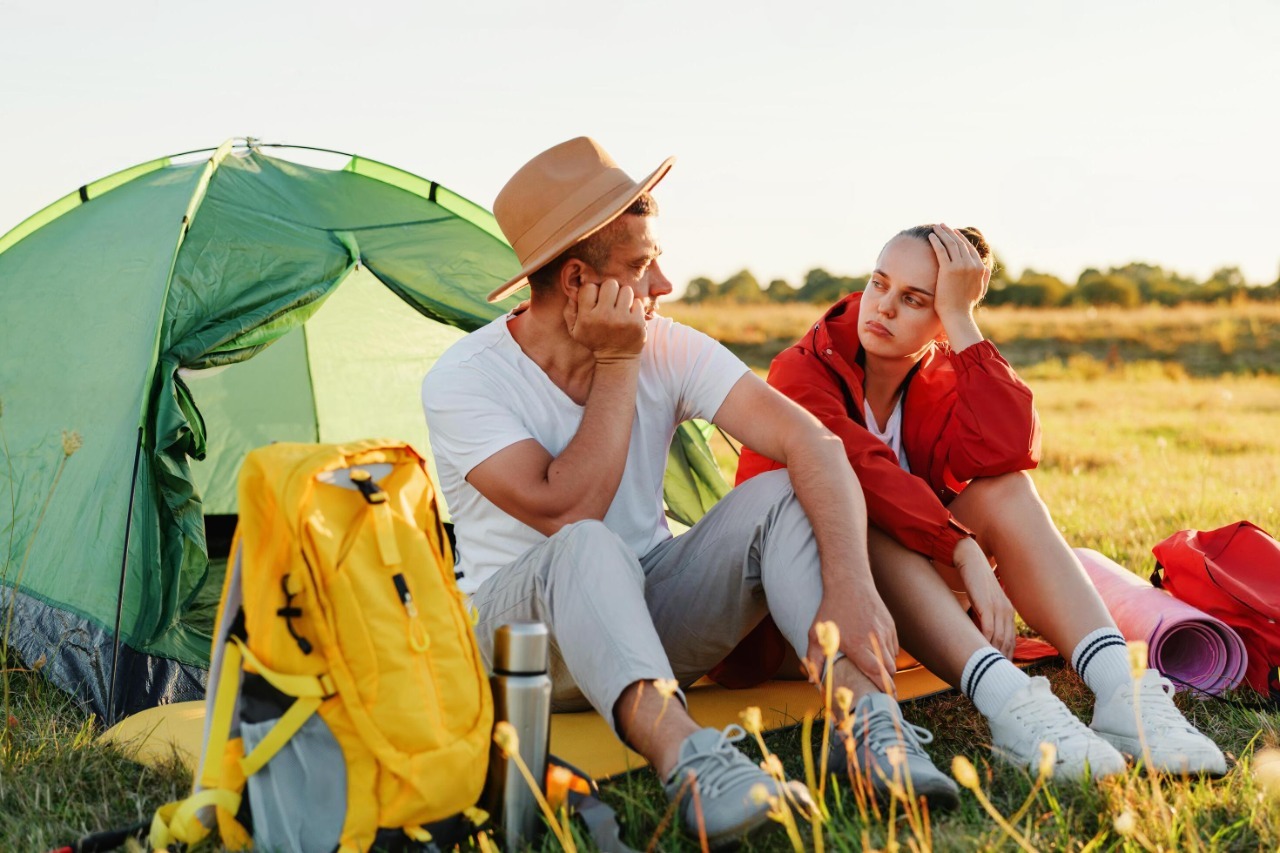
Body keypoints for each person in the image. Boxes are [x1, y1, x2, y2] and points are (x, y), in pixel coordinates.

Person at [422, 140, 960, 846]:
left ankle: (869, 729)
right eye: (642, 266)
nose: (664, 284)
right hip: (525, 643)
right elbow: (566, 508)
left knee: (781, 492)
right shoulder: (465, 379)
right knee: (586, 542)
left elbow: (815, 445)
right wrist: (618, 361)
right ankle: (695, 764)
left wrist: (850, 584)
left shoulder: (669, 344)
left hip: (649, 616)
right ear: (580, 281)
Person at [732, 223, 1226, 778]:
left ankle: (1123, 692)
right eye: (879, 284)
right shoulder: (802, 368)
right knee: (863, 512)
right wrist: (961, 548)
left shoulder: (941, 370)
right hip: (809, 620)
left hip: (914, 619)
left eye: (915, 300)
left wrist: (964, 323)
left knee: (1004, 488)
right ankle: (1013, 704)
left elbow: (1010, 449)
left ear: (943, 315)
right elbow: (861, 474)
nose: (883, 308)